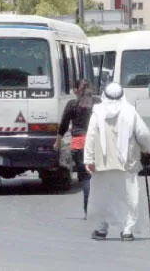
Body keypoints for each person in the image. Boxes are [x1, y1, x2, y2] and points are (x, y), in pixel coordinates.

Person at [84, 82, 150, 241]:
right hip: (126, 163)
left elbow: (91, 137)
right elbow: (143, 134)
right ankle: (127, 230)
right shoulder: (130, 111)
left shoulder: (97, 112)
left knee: (102, 197)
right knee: (129, 196)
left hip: (103, 163)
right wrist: (147, 149)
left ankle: (102, 229)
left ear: (104, 95)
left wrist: (89, 159)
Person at [55, 80, 100, 218]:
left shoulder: (72, 105)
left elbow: (63, 125)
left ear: (75, 90)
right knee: (99, 178)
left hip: (79, 144)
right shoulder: (98, 103)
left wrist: (57, 143)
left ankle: (88, 210)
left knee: (86, 179)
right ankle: (101, 208)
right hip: (97, 144)